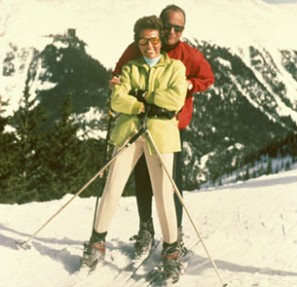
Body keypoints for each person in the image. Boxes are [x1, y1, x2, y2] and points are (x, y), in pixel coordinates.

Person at [82, 15, 187, 283]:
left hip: (161, 136)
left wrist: (141, 97)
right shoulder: (130, 69)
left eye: (154, 40)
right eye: (143, 41)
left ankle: (172, 252)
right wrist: (144, 106)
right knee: (112, 187)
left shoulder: (175, 67)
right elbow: (118, 99)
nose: (149, 46)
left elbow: (175, 99)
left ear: (160, 40)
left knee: (164, 194)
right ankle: (97, 242)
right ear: (137, 43)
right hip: (130, 132)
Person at [110, 5, 215, 257]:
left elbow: (207, 78)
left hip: (172, 126)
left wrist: (189, 85)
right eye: (167, 26)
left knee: (170, 184)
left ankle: (174, 234)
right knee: (143, 178)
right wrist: (115, 82)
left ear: (183, 30)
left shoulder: (188, 54)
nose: (172, 32)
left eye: (178, 28)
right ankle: (146, 227)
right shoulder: (138, 47)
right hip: (139, 125)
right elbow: (119, 72)